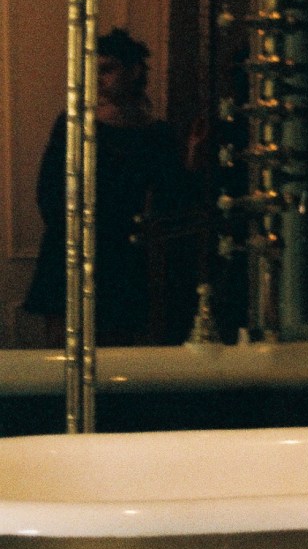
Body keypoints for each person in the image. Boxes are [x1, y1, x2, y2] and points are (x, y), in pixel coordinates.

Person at [23, 27, 188, 346]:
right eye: (92, 71)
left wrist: (192, 163)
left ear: (134, 71)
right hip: (69, 248)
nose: (98, 79)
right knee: (62, 358)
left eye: (108, 70)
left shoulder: (156, 133)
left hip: (122, 256)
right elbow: (49, 193)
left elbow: (172, 199)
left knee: (118, 362)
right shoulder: (72, 122)